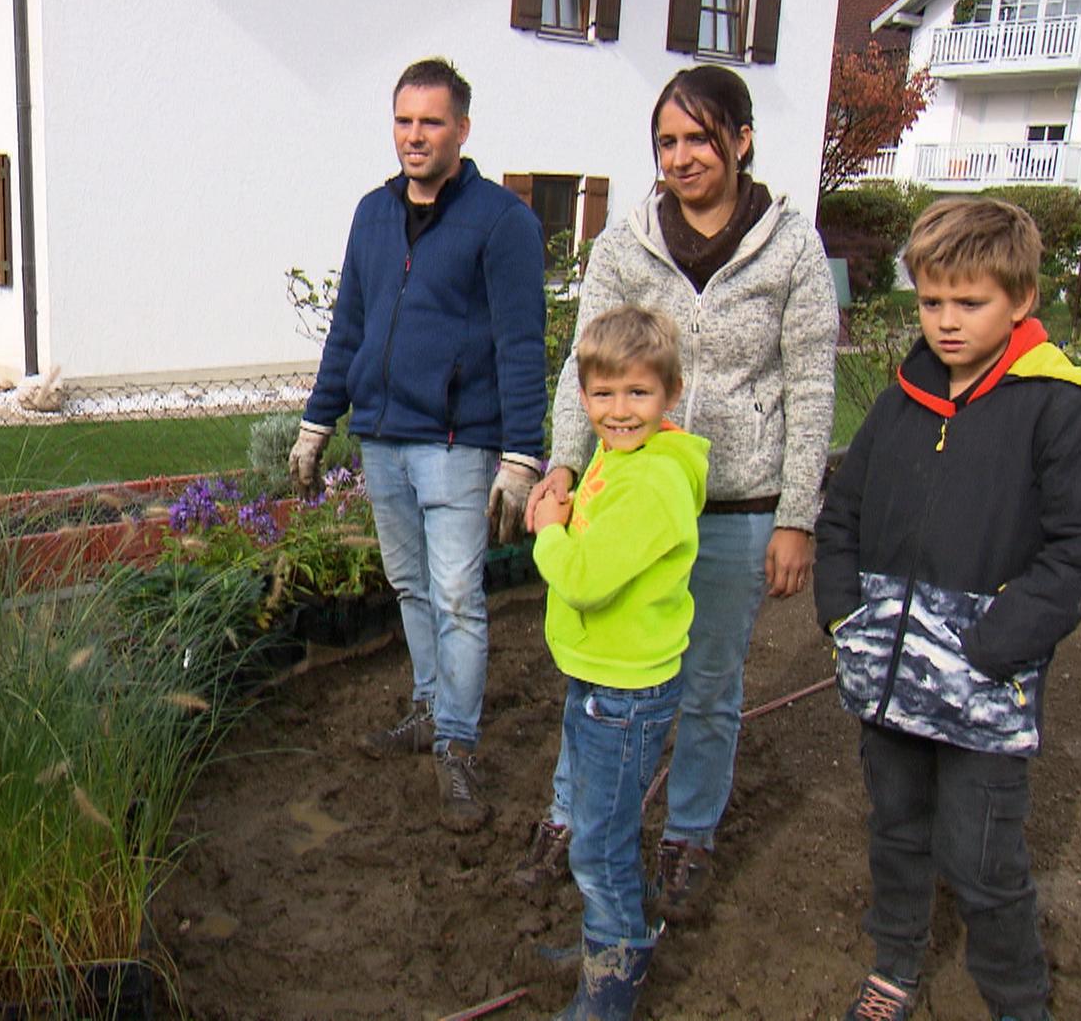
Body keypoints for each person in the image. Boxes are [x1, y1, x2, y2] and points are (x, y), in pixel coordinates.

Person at [514, 66, 838, 901]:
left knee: (710, 683)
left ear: (741, 140)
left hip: (737, 504)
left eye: (700, 138)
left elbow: (810, 384)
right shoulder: (625, 246)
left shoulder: (792, 248)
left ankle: (688, 832)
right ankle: (568, 812)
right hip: (625, 495)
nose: (683, 157)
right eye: (667, 141)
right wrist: (563, 467)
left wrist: (797, 514)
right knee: (597, 668)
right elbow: (578, 371)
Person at [814, 197, 1081, 1021]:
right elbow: (842, 512)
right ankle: (894, 965)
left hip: (987, 689)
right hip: (886, 676)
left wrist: (991, 647)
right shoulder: (901, 401)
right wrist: (846, 617)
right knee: (896, 830)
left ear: (1021, 299)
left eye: (970, 302)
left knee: (982, 857)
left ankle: (1017, 999)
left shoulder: (1061, 410)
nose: (946, 323)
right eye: (930, 302)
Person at [289, 57, 547, 832]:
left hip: (458, 444)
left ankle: (458, 750)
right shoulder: (372, 212)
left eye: (431, 122)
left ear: (462, 129)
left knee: (461, 599)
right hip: (385, 440)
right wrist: (316, 422)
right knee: (411, 589)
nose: (415, 136)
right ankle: (429, 711)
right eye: (404, 121)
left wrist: (521, 455)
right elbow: (350, 328)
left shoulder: (503, 222)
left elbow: (521, 343)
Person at [529, 304, 708, 1020]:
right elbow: (600, 526)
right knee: (596, 829)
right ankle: (606, 940)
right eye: (604, 395)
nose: (620, 410)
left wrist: (547, 529)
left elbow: (582, 578)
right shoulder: (623, 455)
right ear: (583, 397)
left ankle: (616, 971)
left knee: (600, 847)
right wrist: (571, 505)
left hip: (626, 692)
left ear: (672, 393)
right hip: (601, 679)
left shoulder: (654, 480)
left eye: (639, 393)